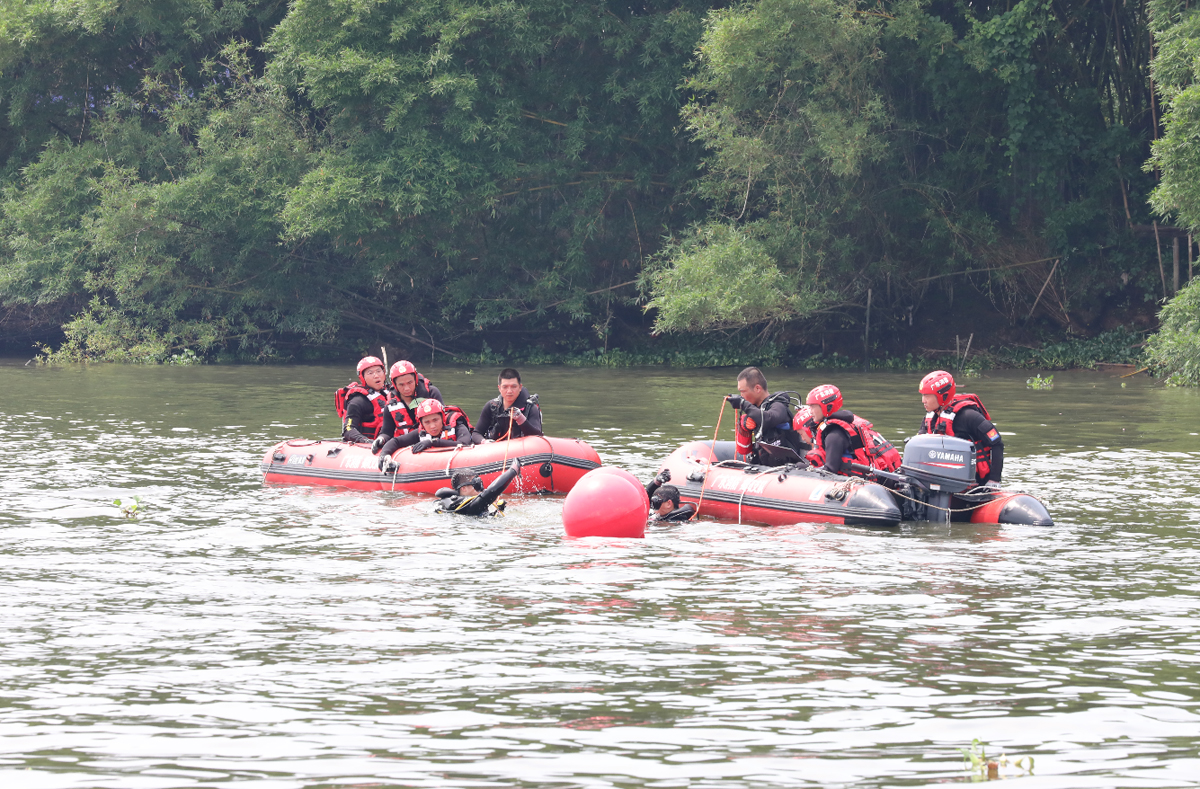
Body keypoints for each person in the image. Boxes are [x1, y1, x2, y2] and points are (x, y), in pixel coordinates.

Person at [918, 370, 1004, 487]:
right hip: (942, 479)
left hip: (973, 483)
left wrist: (994, 480)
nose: (923, 400)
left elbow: (997, 442)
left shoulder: (969, 417)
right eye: (923, 395)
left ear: (942, 395)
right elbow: (919, 447)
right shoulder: (929, 419)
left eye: (927, 396)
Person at [804, 385, 902, 477]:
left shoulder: (834, 435)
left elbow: (829, 470)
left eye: (813, 406)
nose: (810, 411)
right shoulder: (846, 423)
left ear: (827, 406)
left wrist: (803, 469)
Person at [724, 366, 805, 466]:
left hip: (786, 469)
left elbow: (769, 419)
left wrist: (743, 404)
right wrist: (744, 425)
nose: (741, 396)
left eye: (743, 391)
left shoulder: (779, 404)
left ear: (758, 388)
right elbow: (743, 450)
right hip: (764, 466)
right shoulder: (755, 410)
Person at [376, 398, 472, 468]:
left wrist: (432, 442)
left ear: (443, 417)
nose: (432, 426)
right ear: (421, 423)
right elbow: (396, 441)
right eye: (427, 422)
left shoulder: (457, 425)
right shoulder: (421, 432)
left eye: (436, 420)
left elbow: (464, 444)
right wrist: (384, 455)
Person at [473, 368, 543, 442]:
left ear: (520, 387)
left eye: (513, 387)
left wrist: (521, 419)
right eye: (505, 387)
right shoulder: (491, 406)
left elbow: (537, 437)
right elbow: (476, 433)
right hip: (495, 449)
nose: (509, 391)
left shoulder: (531, 408)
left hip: (522, 450)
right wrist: (484, 442)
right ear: (499, 388)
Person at [335, 356, 393, 444]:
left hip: (391, 441)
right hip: (367, 446)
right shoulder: (357, 401)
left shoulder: (391, 394)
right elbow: (348, 429)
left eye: (379, 371)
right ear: (362, 377)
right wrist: (367, 441)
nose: (376, 376)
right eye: (370, 373)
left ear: (384, 373)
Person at [434, 458, 523, 516]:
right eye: (476, 484)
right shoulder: (466, 506)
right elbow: (491, 492)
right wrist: (513, 470)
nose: (481, 488)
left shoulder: (461, 504)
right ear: (463, 488)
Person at [384, 360, 444, 439]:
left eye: (410, 382)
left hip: (433, 439)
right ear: (394, 385)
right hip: (404, 442)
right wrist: (382, 439)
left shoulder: (432, 393)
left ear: (416, 379)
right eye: (401, 384)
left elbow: (444, 420)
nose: (407, 388)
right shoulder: (390, 404)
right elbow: (386, 432)